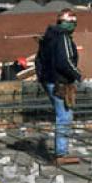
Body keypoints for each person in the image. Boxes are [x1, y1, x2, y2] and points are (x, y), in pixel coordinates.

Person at [35, 9, 82, 163]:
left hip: (49, 80)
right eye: (73, 23)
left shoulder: (49, 37)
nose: (74, 26)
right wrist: (77, 74)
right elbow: (65, 61)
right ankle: (61, 153)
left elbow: (38, 61)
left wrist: (43, 78)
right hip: (59, 82)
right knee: (64, 116)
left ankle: (61, 151)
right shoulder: (63, 38)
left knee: (62, 114)